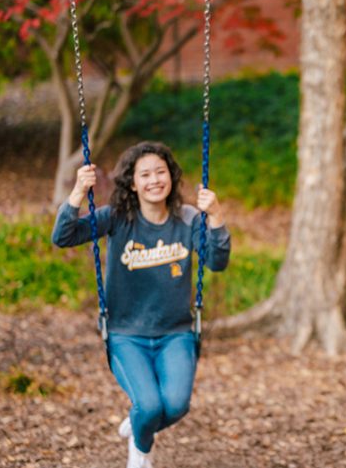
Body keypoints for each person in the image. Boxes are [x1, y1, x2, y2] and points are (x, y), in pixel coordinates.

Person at [52, 141, 230, 467]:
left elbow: (216, 262)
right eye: (144, 174)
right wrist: (78, 191)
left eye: (160, 172)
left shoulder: (188, 219)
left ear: (172, 177)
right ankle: (141, 450)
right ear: (132, 183)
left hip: (175, 333)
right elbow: (63, 236)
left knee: (176, 406)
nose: (154, 180)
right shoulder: (118, 218)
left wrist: (216, 217)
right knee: (148, 406)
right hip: (126, 334)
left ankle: (138, 428)